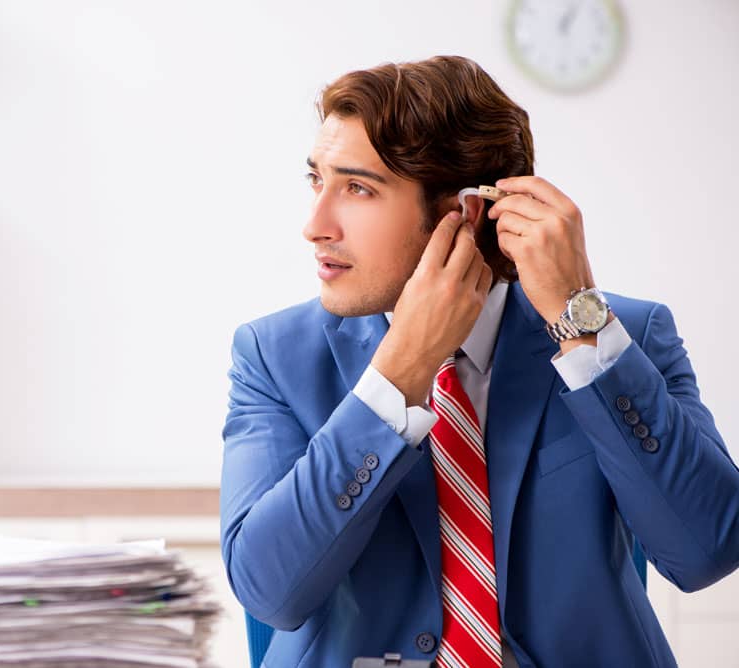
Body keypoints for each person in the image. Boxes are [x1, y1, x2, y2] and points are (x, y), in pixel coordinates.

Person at [219, 55, 739, 667]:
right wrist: (397, 375)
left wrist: (581, 324)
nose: (315, 225)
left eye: (358, 188)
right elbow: (268, 590)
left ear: (460, 212)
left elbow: (706, 550)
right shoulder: (273, 356)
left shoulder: (625, 334)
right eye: (317, 180)